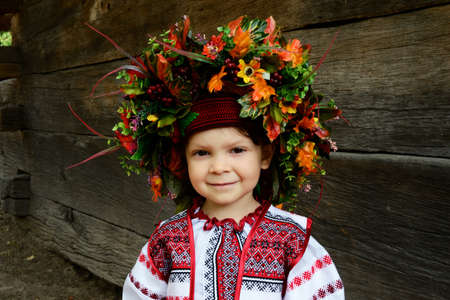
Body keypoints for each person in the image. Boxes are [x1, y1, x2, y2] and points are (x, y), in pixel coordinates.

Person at [76, 15, 345, 300]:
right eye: (202, 153)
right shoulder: (169, 239)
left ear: (265, 155)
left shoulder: (291, 241)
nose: (218, 167)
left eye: (237, 150)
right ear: (183, 159)